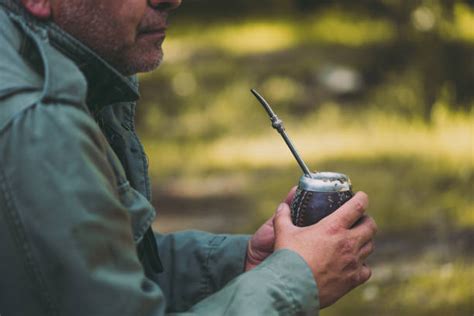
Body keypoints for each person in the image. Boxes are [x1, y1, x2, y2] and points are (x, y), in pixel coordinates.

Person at [0, 0, 378, 315]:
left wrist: (238, 263)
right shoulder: (35, 126)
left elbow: (96, 272)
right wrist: (291, 279)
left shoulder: (57, 71)